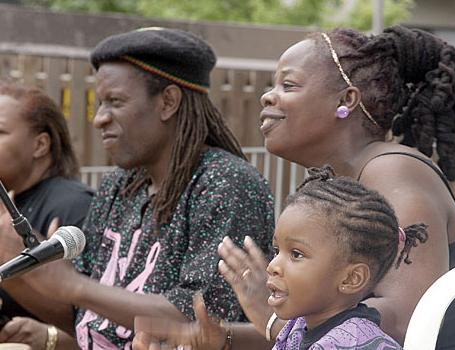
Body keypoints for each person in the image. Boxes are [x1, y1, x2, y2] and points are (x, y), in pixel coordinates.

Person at [135, 24, 455, 349]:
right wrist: (222, 338)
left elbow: (405, 323)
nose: (267, 96)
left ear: (347, 101)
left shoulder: (393, 171)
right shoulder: (339, 185)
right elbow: (316, 329)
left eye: (288, 84)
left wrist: (275, 309)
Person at [0, 27, 274, 349]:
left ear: (168, 102)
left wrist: (71, 285)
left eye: (115, 102)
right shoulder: (118, 187)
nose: (99, 118)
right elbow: (87, 318)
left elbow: (203, 320)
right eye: (101, 103)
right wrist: (29, 277)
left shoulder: (226, 184)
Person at [134, 166, 429, 350]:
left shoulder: (350, 342)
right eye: (277, 251)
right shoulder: (299, 329)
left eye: (296, 254)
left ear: (351, 278)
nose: (273, 266)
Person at [0, 82, 94, 348]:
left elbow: (107, 325)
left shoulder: (74, 206)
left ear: (40, 144)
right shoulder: (9, 199)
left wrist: (50, 338)